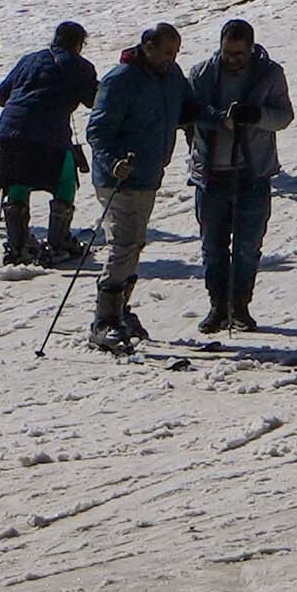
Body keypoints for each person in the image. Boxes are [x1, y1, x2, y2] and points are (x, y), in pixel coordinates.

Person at [84, 23, 191, 353]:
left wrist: (222, 118)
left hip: (148, 174)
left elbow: (189, 109)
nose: (170, 59)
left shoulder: (171, 77)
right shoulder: (121, 80)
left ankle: (119, 311)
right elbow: (98, 130)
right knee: (124, 243)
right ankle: (105, 320)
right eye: (165, 52)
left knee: (135, 244)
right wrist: (115, 159)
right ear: (147, 46)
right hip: (118, 177)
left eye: (175, 53)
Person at [185, 19, 293, 334]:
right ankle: (218, 305)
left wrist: (257, 116)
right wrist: (220, 121)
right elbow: (191, 114)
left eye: (239, 54)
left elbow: (284, 116)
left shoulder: (270, 74)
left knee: (247, 246)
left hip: (253, 173)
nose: (233, 59)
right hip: (211, 174)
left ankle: (240, 306)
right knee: (213, 246)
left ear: (251, 48)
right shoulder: (202, 74)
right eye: (228, 53)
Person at [0, 20, 98, 270]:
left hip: (11, 129)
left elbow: (1, 94)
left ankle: (18, 244)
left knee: (17, 181)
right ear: (79, 43)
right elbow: (93, 99)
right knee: (65, 179)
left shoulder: (30, 59)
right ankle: (58, 241)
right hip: (50, 132)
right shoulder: (80, 66)